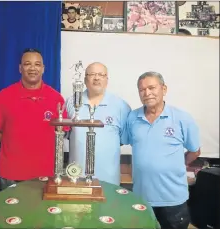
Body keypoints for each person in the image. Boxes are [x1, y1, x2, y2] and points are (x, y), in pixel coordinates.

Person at [126, 71, 201, 229]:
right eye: (142, 90)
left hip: (173, 200)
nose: (147, 93)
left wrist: (176, 164)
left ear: (164, 89)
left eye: (152, 88)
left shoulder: (182, 118)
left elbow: (195, 151)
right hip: (141, 198)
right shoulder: (132, 118)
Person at [0, 48, 68, 190]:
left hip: (46, 174)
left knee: (43, 212)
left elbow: (63, 132)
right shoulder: (4, 97)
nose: (32, 68)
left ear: (43, 69)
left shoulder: (56, 98)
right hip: (12, 174)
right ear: (20, 68)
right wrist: (12, 142)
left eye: (37, 64)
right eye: (27, 64)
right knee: (9, 212)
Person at [65, 62, 131, 185]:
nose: (97, 78)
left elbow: (122, 140)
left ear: (107, 80)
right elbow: (67, 134)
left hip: (109, 180)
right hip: (77, 179)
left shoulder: (121, 106)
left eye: (101, 74)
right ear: (85, 79)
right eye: (92, 74)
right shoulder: (71, 102)